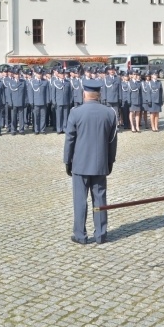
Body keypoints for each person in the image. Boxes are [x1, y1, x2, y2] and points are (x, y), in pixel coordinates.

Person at [63, 78, 118, 245]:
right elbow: (112, 141)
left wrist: (67, 161)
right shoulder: (109, 113)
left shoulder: (76, 112)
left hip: (80, 164)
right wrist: (110, 161)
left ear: (84, 93)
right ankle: (101, 234)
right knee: (100, 199)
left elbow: (70, 139)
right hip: (100, 163)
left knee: (80, 200)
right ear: (99, 94)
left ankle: (80, 235)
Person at [6, 68, 27, 135]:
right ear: (14, 75)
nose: (17, 75)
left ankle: (21, 130)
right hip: (13, 102)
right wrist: (10, 102)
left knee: (21, 117)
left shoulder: (23, 82)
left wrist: (26, 101)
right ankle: (13, 130)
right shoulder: (10, 83)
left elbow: (25, 93)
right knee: (13, 117)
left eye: (18, 74)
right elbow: (9, 94)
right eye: (16, 74)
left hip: (21, 102)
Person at [51, 68, 72, 134]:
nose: (63, 75)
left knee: (65, 116)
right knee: (59, 116)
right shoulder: (55, 82)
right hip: (58, 102)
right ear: (58, 75)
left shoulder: (68, 82)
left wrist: (70, 101)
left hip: (66, 102)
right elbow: (53, 93)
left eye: (63, 74)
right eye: (61, 74)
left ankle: (64, 128)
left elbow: (70, 93)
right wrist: (54, 101)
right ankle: (59, 129)